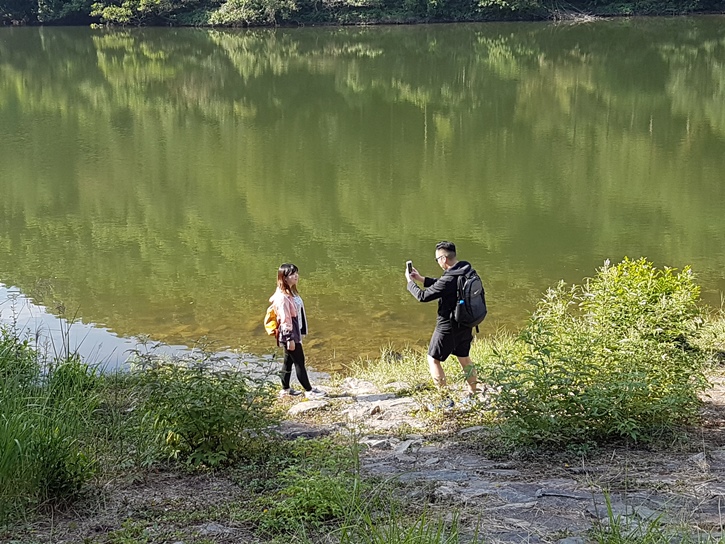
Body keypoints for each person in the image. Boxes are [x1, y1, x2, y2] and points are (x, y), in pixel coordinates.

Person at [405, 241, 478, 400]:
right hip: (466, 323)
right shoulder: (466, 270)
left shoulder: (449, 279)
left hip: (448, 326)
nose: (438, 262)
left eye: (437, 259)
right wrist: (421, 279)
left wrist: (410, 283)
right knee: (464, 358)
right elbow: (444, 286)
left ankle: (444, 400)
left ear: (444, 259)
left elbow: (423, 296)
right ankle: (474, 393)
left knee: (433, 359)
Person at [269, 263, 327, 400]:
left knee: (288, 361)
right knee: (300, 362)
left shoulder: (291, 291)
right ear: (284, 278)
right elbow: (285, 320)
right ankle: (309, 391)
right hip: (290, 333)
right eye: (292, 274)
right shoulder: (282, 297)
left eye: (296, 273)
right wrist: (290, 339)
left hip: (294, 331)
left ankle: (285, 389)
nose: (296, 276)